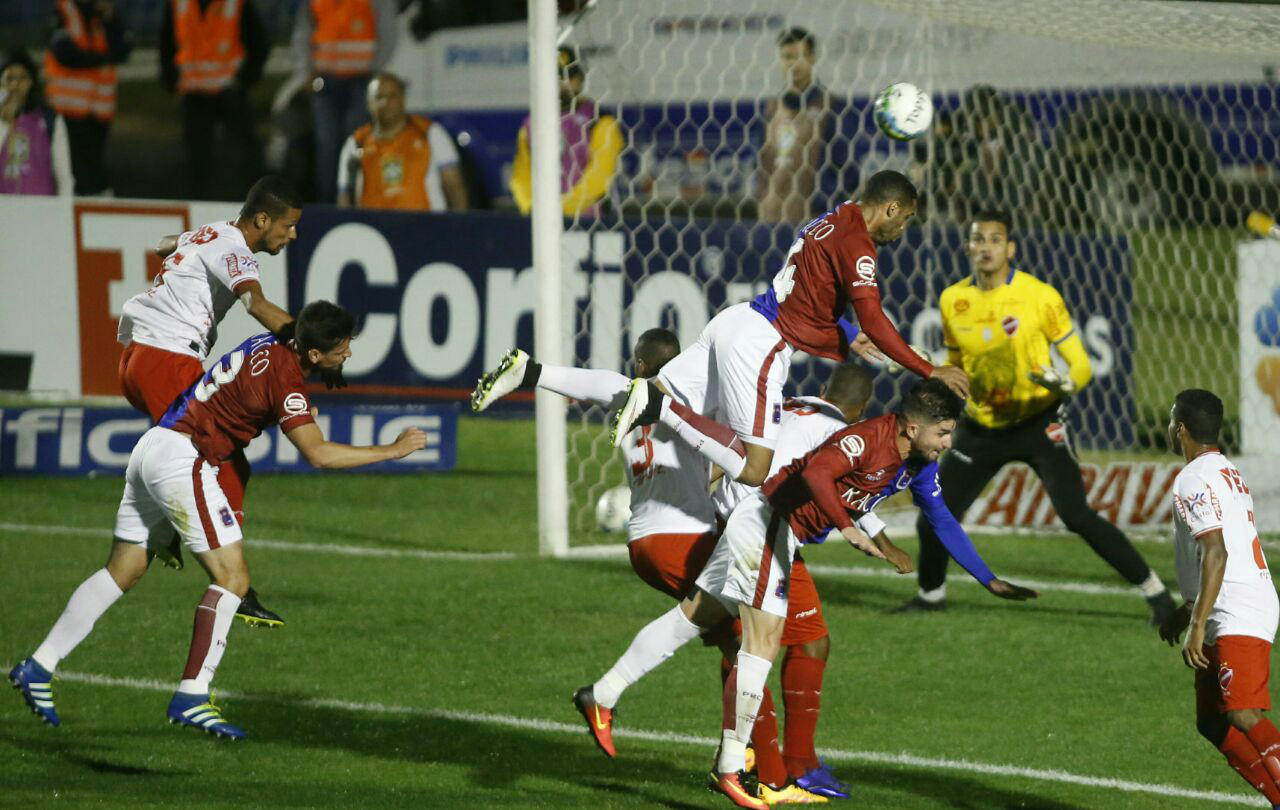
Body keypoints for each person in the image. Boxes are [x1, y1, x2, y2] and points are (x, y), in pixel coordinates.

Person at [8, 301, 428, 739]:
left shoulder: (279, 343)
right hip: (183, 461)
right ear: (315, 354)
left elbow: (266, 391)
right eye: (343, 348)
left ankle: (38, 666)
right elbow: (318, 454)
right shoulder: (286, 378)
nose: (349, 354)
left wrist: (302, 394)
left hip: (154, 446)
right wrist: (391, 450)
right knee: (233, 579)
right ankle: (192, 694)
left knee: (124, 570)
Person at [608, 170, 969, 493]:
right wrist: (931, 371)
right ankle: (675, 475)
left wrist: (844, 331)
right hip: (763, 343)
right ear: (891, 208)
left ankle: (642, 458)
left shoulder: (836, 215)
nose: (904, 229)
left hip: (738, 319)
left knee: (657, 394)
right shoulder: (859, 245)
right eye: (905, 219)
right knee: (754, 465)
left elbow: (805, 290)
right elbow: (873, 319)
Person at [895, 210, 1176, 623]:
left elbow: (1080, 364)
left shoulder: (1040, 296)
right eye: (978, 239)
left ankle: (1158, 595)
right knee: (936, 513)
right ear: (969, 247)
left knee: (1076, 515)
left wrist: (1063, 383)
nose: (986, 247)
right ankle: (931, 596)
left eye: (995, 240)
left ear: (1010, 248)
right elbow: (958, 363)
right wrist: (933, 369)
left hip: (1038, 422)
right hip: (983, 427)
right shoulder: (953, 300)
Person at [118, 175, 302, 627]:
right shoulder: (235, 247)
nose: (292, 234)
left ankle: (163, 533)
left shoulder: (213, 232)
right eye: (288, 225)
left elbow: (166, 243)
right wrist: (309, 343)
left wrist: (183, 252)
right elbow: (256, 306)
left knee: (207, 461)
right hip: (169, 358)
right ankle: (235, 586)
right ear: (262, 219)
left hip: (136, 358)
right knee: (223, 464)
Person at [1158, 389, 1280, 808]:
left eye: (1171, 421)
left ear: (1181, 429)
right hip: (1226, 603)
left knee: (1243, 714)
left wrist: (1197, 628)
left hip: (1236, 608)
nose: (1169, 428)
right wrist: (1189, 608)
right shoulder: (1225, 470)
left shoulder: (1193, 477)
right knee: (1212, 721)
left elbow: (1216, 551)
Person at [160, 0, 270, 201]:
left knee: (244, 156)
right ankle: (201, 209)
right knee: (197, 160)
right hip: (195, 94)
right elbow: (166, 44)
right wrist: (171, 80)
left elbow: (259, 43)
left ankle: (250, 206)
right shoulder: (179, 4)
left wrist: (244, 79)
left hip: (230, 92)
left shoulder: (235, 4)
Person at [293, 0, 399, 203]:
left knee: (357, 141)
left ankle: (357, 200)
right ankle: (330, 204)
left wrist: (374, 72)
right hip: (325, 82)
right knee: (327, 145)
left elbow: (388, 33)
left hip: (360, 81)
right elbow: (303, 33)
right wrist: (306, 72)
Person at [509, 45, 621, 220]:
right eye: (552, 78)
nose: (559, 84)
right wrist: (531, 207)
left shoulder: (600, 120)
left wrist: (561, 208)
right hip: (544, 223)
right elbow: (521, 175)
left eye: (567, 78)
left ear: (580, 79)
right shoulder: (532, 123)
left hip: (592, 220)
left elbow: (600, 176)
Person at [336, 72, 468, 211]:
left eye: (392, 96)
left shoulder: (430, 134)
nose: (385, 103)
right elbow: (344, 194)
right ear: (369, 103)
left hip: (424, 226)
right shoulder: (356, 142)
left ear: (403, 99)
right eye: (379, 97)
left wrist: (458, 226)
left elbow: (454, 187)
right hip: (374, 229)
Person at [43, 0, 131, 196]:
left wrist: (112, 20)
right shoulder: (64, 11)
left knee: (94, 160)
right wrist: (102, 59)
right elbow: (65, 53)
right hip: (68, 107)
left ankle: (97, 199)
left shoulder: (104, 14)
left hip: (99, 108)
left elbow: (124, 49)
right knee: (72, 163)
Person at [757, 28, 836, 224]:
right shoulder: (771, 109)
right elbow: (761, 163)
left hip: (812, 226)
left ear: (812, 58)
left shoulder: (830, 108)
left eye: (800, 56)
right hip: (771, 220)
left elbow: (844, 171)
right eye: (787, 57)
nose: (793, 64)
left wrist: (822, 211)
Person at [0, 50, 72, 196]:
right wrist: (5, 123)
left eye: (22, 78)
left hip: (40, 207)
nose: (15, 84)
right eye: (10, 78)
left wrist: (65, 209)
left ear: (31, 82)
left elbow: (64, 174)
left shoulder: (49, 119)